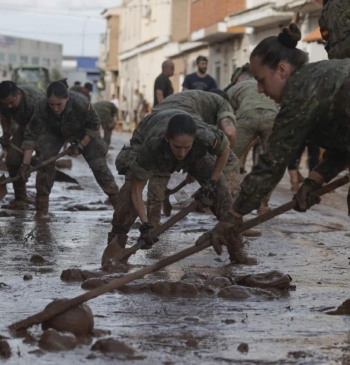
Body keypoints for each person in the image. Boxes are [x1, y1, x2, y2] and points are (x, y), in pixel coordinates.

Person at [196, 23, 350, 258]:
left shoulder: (301, 92)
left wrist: (232, 217)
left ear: (281, 69)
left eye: (261, 80)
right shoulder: (316, 79)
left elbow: (271, 165)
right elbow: (344, 145)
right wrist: (314, 182)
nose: (259, 90)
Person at [102, 112, 255, 267]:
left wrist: (212, 184)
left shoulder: (205, 136)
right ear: (167, 137)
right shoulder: (152, 145)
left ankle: (236, 247)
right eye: (177, 147)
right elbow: (136, 188)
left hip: (196, 154)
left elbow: (224, 150)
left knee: (221, 190)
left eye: (186, 147)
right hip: (151, 141)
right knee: (128, 193)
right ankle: (116, 244)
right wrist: (145, 224)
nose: (182, 153)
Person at [17, 80, 119, 218]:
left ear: (67, 98)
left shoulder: (82, 103)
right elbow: (31, 135)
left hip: (85, 132)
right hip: (56, 132)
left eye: (59, 104)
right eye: (51, 104)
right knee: (44, 162)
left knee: (99, 166)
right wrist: (25, 164)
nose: (55, 108)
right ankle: (41, 211)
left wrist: (81, 145)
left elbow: (94, 124)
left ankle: (120, 208)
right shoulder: (41, 106)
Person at [225, 63, 279, 214]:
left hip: (246, 117)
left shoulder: (234, 88)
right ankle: (263, 204)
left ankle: (231, 202)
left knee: (229, 159)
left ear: (238, 79)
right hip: (272, 117)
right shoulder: (267, 84)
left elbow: (227, 116)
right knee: (271, 162)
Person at [0, 81, 44, 208]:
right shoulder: (4, 101)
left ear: (18, 94)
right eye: (5, 103)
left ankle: (42, 200)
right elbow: (5, 117)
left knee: (43, 162)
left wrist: (26, 163)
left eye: (11, 102)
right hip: (25, 125)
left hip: (46, 127)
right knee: (12, 160)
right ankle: (21, 196)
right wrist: (7, 134)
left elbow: (32, 139)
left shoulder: (35, 102)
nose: (8, 106)